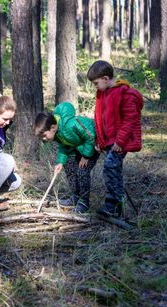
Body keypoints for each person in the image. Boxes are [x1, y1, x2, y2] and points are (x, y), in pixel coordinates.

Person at [87, 60, 143, 218]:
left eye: (96, 83)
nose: (95, 87)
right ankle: (117, 206)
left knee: (110, 168)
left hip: (120, 143)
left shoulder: (124, 94)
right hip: (110, 142)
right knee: (114, 170)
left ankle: (114, 205)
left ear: (105, 78)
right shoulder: (103, 94)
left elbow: (130, 120)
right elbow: (100, 120)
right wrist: (100, 140)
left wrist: (120, 142)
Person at [34, 102, 99, 213]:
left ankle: (84, 203)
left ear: (53, 127)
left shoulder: (70, 124)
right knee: (69, 167)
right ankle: (76, 197)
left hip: (93, 146)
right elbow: (64, 146)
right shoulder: (57, 133)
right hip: (79, 148)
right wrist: (60, 162)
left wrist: (86, 156)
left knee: (82, 172)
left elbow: (90, 135)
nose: (43, 139)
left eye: (44, 135)